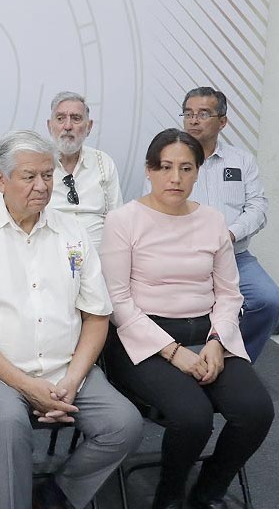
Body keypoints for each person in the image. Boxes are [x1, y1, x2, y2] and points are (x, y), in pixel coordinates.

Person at [0, 130, 142, 509]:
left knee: (124, 425)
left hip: (66, 369)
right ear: (0, 179)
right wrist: (26, 385)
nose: (42, 186)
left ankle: (57, 495)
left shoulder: (72, 231)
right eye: (29, 176)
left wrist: (72, 379)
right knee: (9, 425)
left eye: (48, 175)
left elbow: (96, 316)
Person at [102, 128, 274, 509]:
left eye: (186, 168)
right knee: (193, 417)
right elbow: (117, 302)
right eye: (165, 167)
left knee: (257, 412)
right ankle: (169, 496)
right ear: (149, 170)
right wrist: (172, 351)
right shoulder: (123, 220)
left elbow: (229, 293)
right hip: (144, 340)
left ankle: (206, 493)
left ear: (198, 172)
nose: (175, 178)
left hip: (208, 336)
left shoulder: (213, 220)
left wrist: (217, 341)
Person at [180, 86, 279, 361]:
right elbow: (154, 209)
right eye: (188, 113)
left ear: (222, 121)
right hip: (185, 256)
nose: (194, 120)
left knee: (268, 300)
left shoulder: (241, 160)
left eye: (203, 114)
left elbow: (258, 208)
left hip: (235, 256)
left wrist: (231, 234)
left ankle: (234, 360)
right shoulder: (171, 160)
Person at [46, 91, 123, 251]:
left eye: (76, 118)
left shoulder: (103, 162)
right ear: (49, 126)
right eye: (60, 118)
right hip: (51, 255)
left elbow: (117, 220)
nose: (68, 126)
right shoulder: (38, 165)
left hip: (98, 256)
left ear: (89, 127)